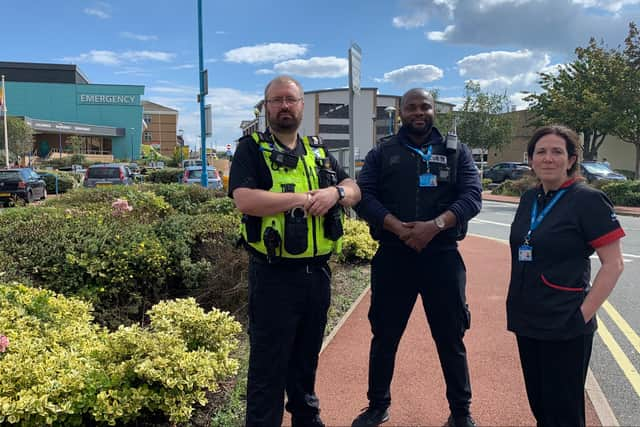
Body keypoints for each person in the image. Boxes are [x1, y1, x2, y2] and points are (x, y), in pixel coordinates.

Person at [228, 75, 361, 427]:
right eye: (276, 100)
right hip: (273, 275)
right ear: (266, 107)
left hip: (317, 274)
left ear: (302, 105)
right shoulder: (251, 148)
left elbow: (353, 187)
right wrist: (302, 199)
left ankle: (306, 418)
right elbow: (244, 198)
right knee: (268, 366)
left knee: (306, 359)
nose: (284, 106)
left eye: (291, 99)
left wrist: (336, 194)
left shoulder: (319, 150)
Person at [353, 88, 482, 427]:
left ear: (433, 110)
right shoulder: (383, 152)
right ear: (400, 112)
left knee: (451, 338)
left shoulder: (456, 152)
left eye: (424, 106)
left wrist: (435, 226)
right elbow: (363, 196)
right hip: (394, 257)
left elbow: (472, 197)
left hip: (442, 256)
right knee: (384, 336)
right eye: (411, 107)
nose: (418, 112)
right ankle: (377, 406)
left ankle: (461, 412)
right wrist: (397, 227)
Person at [507, 125, 625, 427]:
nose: (548, 158)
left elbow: (613, 264)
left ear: (571, 159)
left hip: (565, 322)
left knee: (565, 413)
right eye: (541, 152)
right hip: (527, 319)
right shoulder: (529, 198)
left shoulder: (588, 200)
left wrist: (582, 315)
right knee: (541, 406)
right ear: (531, 159)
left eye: (557, 152)